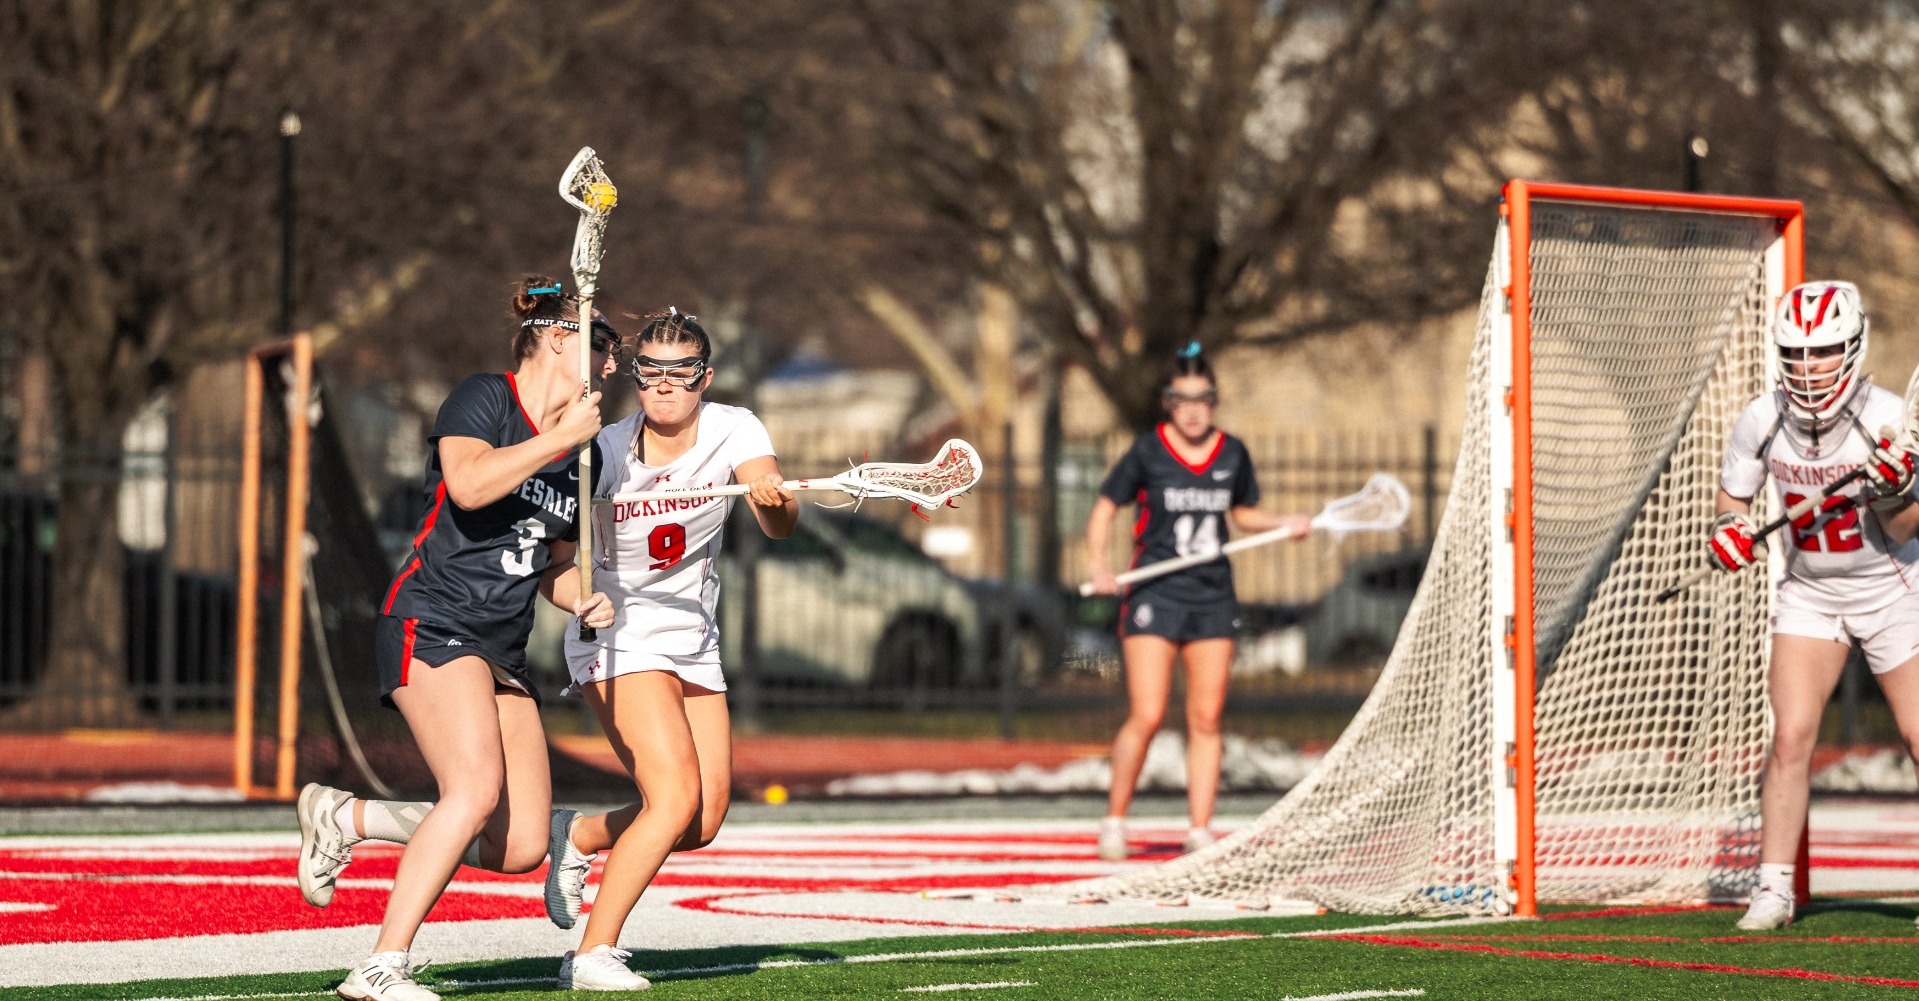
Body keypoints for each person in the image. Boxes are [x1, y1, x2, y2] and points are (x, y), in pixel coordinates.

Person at [294, 276, 619, 1001]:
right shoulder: (485, 397)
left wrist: (582, 598)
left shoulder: (585, 457)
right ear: (557, 337)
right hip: (434, 618)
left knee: (521, 844)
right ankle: (380, 966)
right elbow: (469, 485)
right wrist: (557, 439)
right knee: (470, 791)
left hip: (501, 647)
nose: (609, 362)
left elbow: (553, 566)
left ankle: (348, 816)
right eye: (601, 342)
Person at [539, 307, 798, 991]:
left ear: (704, 378)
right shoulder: (601, 451)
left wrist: (772, 500)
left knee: (701, 819)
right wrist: (578, 600)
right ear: (634, 377)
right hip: (617, 632)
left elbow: (780, 524)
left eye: (681, 372)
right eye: (649, 371)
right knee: (675, 794)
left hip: (692, 638)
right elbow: (553, 568)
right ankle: (591, 952)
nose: (663, 384)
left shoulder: (735, 428)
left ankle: (581, 834)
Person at [1713, 280, 1919, 930]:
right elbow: (1733, 499)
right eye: (1796, 352)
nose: (1808, 366)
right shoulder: (1761, 417)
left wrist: (1893, 490)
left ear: (1852, 346)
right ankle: (1773, 889)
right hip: (1809, 593)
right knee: (1791, 737)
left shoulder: (1887, 418)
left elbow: (1904, 530)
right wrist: (1728, 531)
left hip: (1891, 591)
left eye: (1824, 350)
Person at [1082, 341, 1313, 861]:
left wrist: (1285, 524)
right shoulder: (1147, 452)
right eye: (1181, 400)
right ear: (1168, 403)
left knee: (1206, 718)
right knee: (1148, 713)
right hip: (1155, 592)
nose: (1192, 411)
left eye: (1202, 400)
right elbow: (1104, 508)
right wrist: (1098, 565)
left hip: (1211, 597)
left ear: (1213, 402)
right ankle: (1114, 818)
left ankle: (1200, 829)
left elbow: (1243, 514)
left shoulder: (1232, 453)